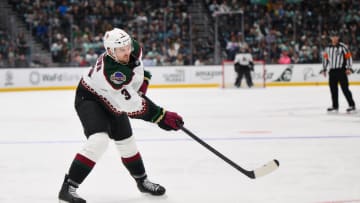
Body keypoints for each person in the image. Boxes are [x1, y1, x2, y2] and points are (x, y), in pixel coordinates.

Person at [58, 28, 184, 203]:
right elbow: (132, 106)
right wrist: (161, 116)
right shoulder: (113, 72)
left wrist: (142, 84)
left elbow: (138, 72)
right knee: (99, 140)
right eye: (121, 50)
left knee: (127, 141)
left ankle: (142, 181)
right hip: (90, 99)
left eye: (127, 47)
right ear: (110, 51)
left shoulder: (133, 48)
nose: (127, 52)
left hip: (112, 97)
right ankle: (68, 189)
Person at [322, 30, 356, 113]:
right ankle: (335, 106)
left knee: (345, 89)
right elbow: (325, 58)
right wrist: (324, 69)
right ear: (330, 38)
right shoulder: (328, 48)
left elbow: (348, 57)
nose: (334, 38)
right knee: (333, 89)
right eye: (333, 36)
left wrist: (349, 68)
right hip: (332, 71)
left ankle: (352, 105)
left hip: (341, 70)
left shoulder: (342, 47)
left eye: (336, 36)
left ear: (338, 37)